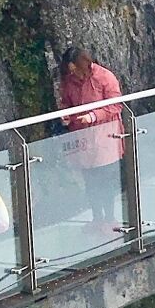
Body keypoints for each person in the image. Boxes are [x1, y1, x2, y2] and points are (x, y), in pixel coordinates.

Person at [56, 49, 123, 228]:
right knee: (90, 180)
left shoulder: (104, 77)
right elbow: (66, 102)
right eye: (70, 70)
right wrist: (66, 115)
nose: (73, 74)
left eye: (75, 69)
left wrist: (93, 116)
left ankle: (110, 218)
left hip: (105, 136)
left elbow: (115, 105)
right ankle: (97, 218)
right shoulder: (69, 81)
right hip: (83, 137)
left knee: (106, 180)